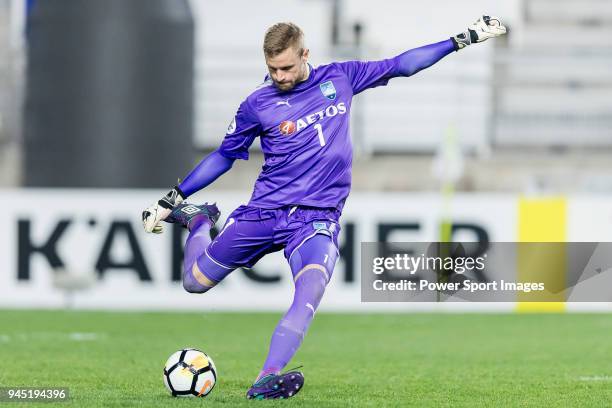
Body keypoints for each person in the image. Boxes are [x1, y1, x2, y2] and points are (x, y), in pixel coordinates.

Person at [142, 16, 506, 400]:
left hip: (315, 218)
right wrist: (174, 198)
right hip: (264, 213)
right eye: (272, 69)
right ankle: (200, 220)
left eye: (286, 67)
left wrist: (461, 39)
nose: (279, 76)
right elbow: (223, 156)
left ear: (305, 54)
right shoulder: (257, 104)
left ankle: (267, 377)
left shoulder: (340, 78)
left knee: (310, 288)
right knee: (194, 282)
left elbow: (402, 65)